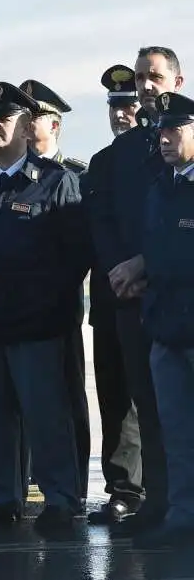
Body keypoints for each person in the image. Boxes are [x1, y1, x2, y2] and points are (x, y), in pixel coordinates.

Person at [0, 82, 88, 533]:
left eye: (6, 118)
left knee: (46, 415)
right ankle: (0, 497)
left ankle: (61, 499)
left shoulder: (55, 181)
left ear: (28, 128)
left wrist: (49, 308)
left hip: (36, 325)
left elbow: (75, 257)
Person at [87, 46, 185, 537]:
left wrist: (149, 263)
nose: (148, 85)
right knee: (147, 405)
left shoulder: (186, 141)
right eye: (142, 77)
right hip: (132, 297)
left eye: (156, 76)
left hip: (181, 296)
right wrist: (121, 270)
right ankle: (159, 502)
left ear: (178, 79)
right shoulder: (118, 155)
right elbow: (102, 219)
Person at [18, 79, 90, 509]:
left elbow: (77, 250)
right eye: (24, 116)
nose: (28, 123)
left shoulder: (75, 175)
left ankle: (74, 484)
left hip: (58, 307)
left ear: (55, 125)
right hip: (19, 308)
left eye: (36, 116)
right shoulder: (10, 175)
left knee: (67, 394)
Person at [82, 64, 143, 525]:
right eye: (115, 108)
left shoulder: (163, 160)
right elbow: (96, 229)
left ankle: (159, 491)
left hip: (154, 297)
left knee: (157, 401)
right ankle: (123, 488)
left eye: (129, 105)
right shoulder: (101, 163)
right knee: (115, 398)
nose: (122, 115)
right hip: (110, 296)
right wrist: (117, 272)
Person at [135, 91, 194, 548]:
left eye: (175, 128)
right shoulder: (160, 187)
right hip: (167, 329)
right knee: (176, 432)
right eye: (161, 129)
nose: (164, 137)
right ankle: (183, 515)